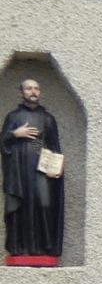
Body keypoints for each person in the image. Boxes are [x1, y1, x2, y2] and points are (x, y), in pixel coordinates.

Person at [3, 76, 64, 263]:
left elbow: (55, 147)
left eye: (36, 88)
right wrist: (15, 134)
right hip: (19, 172)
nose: (33, 92)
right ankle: (19, 248)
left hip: (42, 171)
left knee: (44, 204)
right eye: (29, 88)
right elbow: (2, 142)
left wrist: (58, 165)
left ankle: (43, 247)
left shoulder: (47, 118)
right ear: (21, 92)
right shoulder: (13, 117)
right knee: (20, 207)